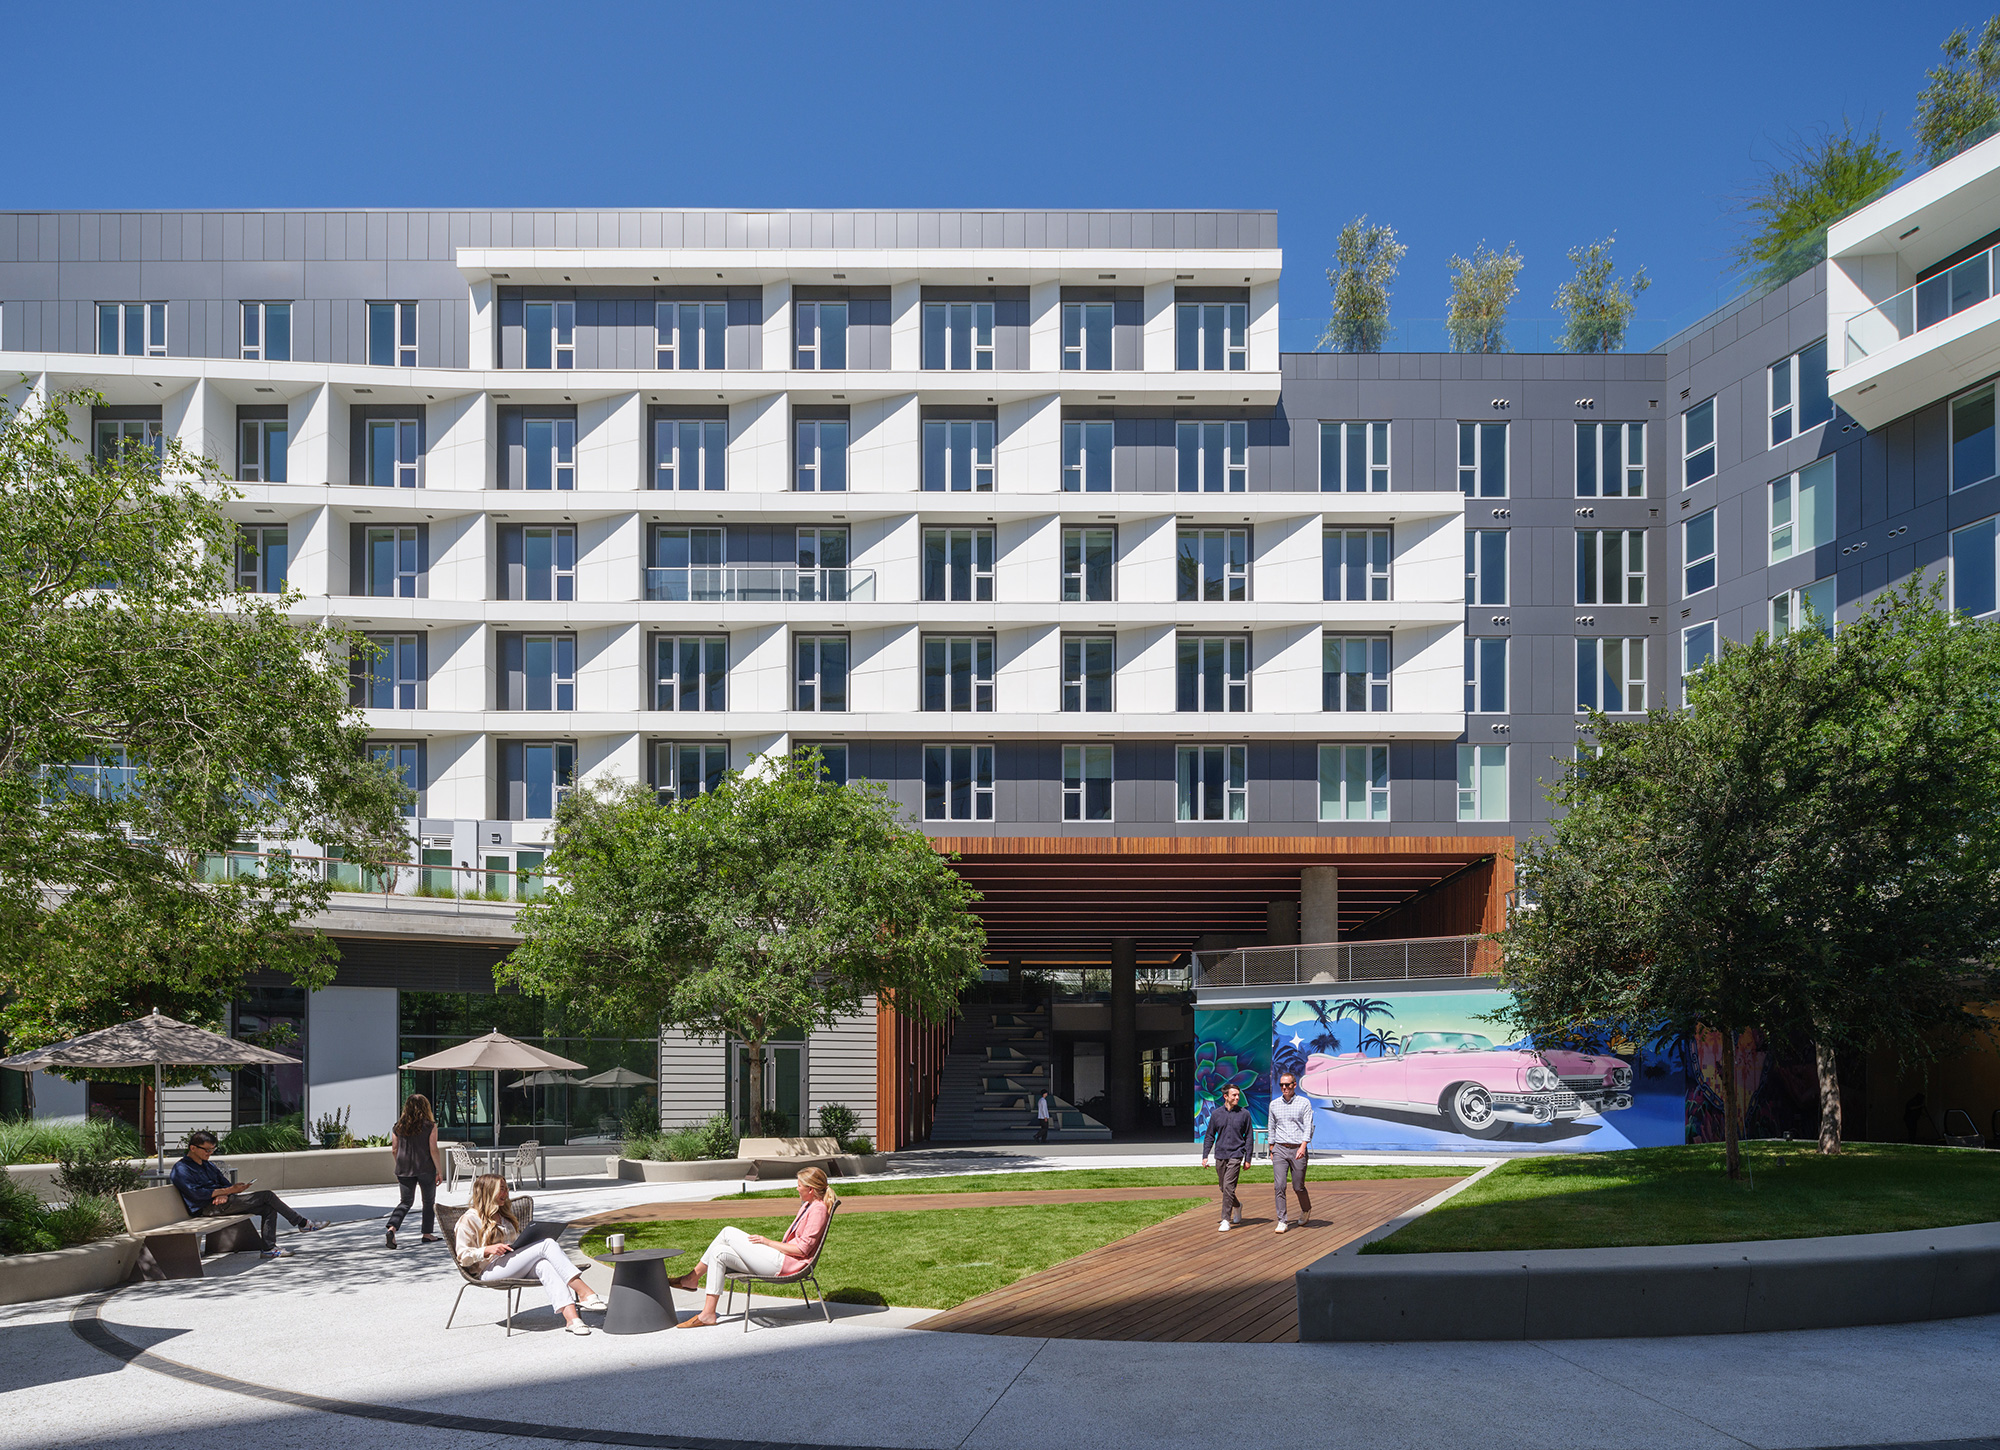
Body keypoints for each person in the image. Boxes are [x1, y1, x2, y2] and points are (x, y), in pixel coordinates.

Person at [668, 1167, 835, 1327]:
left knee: (727, 1232)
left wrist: (767, 1242)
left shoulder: (818, 1210)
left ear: (811, 1189)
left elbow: (802, 1250)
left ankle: (692, 1278)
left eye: (799, 1185)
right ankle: (707, 1314)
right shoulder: (808, 1205)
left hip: (786, 1265)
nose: (797, 1189)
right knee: (719, 1253)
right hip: (781, 1259)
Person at [454, 1173, 607, 1336]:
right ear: (487, 1191)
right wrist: (486, 1250)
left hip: (510, 1264)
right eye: (502, 1190)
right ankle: (584, 1293)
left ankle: (572, 1319)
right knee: (547, 1244)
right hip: (488, 1271)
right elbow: (463, 1256)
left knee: (545, 1265)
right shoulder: (469, 1219)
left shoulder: (504, 1216)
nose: (506, 1194)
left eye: (506, 1189)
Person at [170, 1131, 328, 1259]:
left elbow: (224, 1182)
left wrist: (226, 1192)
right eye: (207, 1150)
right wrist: (226, 1192)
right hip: (205, 1208)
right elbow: (196, 1194)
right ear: (193, 1148)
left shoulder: (208, 1165)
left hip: (223, 1203)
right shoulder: (181, 1169)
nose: (210, 1153)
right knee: (267, 1196)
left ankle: (268, 1248)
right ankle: (302, 1223)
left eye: (212, 1150)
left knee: (267, 1207)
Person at [385, 1092, 443, 1248]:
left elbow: (394, 1150)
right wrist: (439, 1171)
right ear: (425, 1107)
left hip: (404, 1169)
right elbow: (433, 1150)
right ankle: (427, 1234)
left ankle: (392, 1228)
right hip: (425, 1168)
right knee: (428, 1201)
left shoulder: (398, 1126)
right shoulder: (430, 1126)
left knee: (405, 1202)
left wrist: (399, 1166)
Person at [1200, 1083, 1255, 1232]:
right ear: (1226, 1097)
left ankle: (1225, 1219)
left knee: (1229, 1186)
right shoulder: (1217, 1114)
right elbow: (1210, 1136)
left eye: (1238, 1095)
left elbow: (1249, 1137)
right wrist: (1205, 1156)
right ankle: (1237, 1205)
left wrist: (1248, 1158)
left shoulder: (1244, 1114)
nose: (1237, 1097)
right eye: (1234, 1095)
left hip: (1236, 1154)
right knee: (1223, 1188)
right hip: (1221, 1154)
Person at [1267, 1071, 1314, 1233]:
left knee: (1298, 1186)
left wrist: (1303, 1146)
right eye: (1281, 1085)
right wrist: (1271, 1147)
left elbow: (1308, 1126)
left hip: (1297, 1149)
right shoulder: (1274, 1104)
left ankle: (1306, 1209)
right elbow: (1271, 1126)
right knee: (1279, 1186)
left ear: (1294, 1085)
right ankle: (1282, 1220)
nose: (1284, 1088)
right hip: (1280, 1148)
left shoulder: (1304, 1103)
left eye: (1287, 1085)